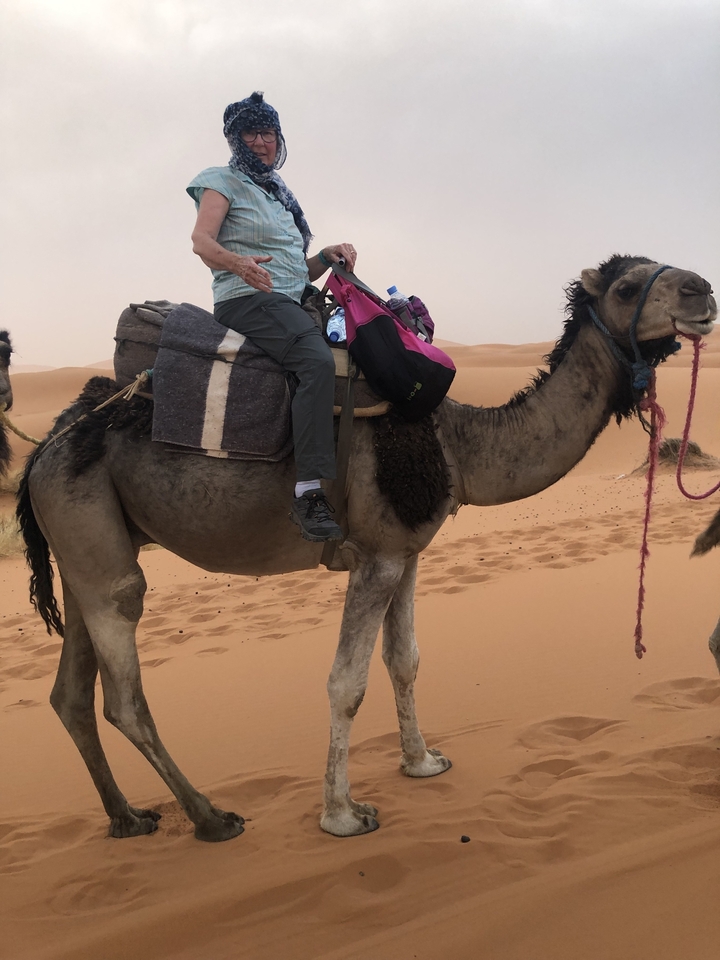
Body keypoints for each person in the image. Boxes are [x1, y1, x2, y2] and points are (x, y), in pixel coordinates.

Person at [188, 91, 357, 543]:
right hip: (248, 297)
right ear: (235, 138)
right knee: (316, 362)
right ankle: (308, 492)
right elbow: (201, 240)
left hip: (290, 299)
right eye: (252, 133)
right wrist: (237, 263)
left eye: (269, 133)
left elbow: (297, 271)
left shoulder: (280, 195)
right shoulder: (220, 180)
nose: (262, 142)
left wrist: (325, 255)